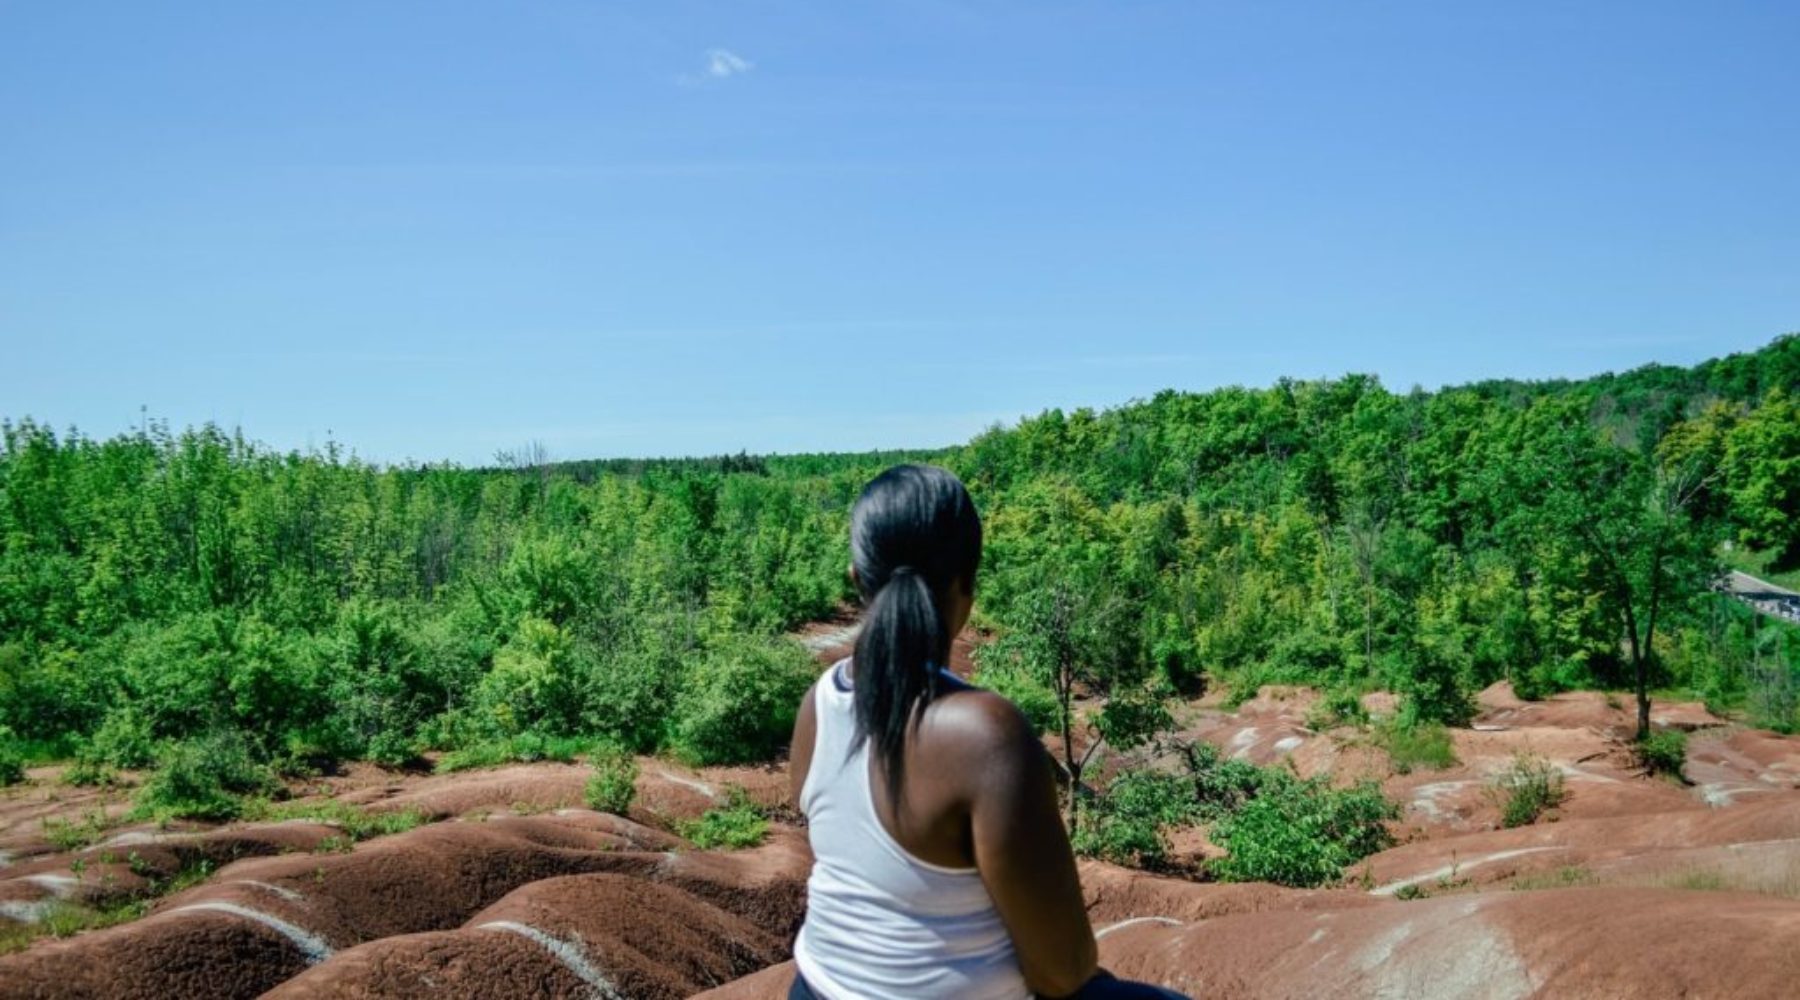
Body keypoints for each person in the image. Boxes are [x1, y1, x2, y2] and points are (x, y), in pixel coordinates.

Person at [787, 465, 1187, 1000]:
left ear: (857, 579)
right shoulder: (985, 736)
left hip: (815, 987)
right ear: (967, 585)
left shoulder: (820, 702)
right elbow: (1063, 972)